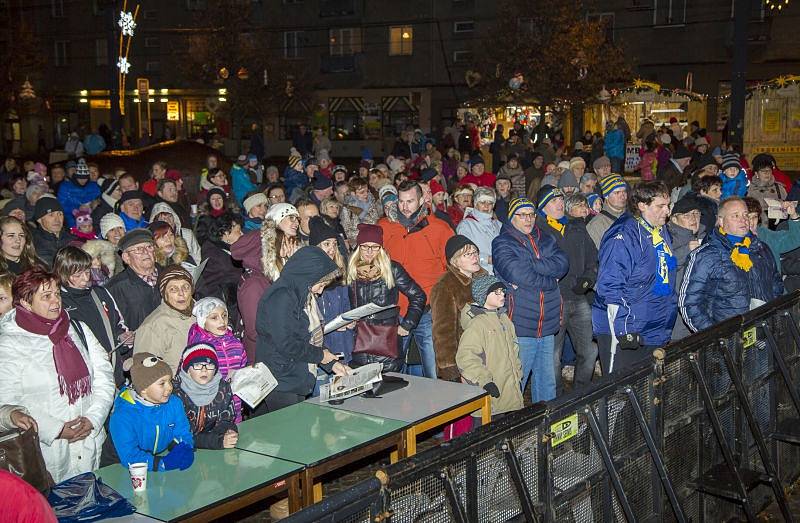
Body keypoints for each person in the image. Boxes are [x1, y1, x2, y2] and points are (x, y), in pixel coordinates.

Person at [0, 267, 115, 483]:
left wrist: (93, 419)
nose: (56, 301)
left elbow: (104, 377)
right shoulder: (9, 342)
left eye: (57, 294)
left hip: (90, 444)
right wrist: (56, 430)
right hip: (46, 451)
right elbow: (7, 401)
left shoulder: (77, 328)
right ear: (25, 302)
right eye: (46, 296)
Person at [593, 181, 677, 375]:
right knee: (619, 392)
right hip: (627, 325)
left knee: (647, 389)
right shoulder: (623, 235)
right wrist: (624, 329)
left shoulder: (659, 230)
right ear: (642, 206)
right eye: (660, 206)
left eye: (668, 205)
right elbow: (610, 286)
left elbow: (665, 275)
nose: (667, 211)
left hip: (654, 322)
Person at [254, 246, 350, 411]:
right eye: (320, 285)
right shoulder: (281, 297)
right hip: (280, 380)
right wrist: (321, 356)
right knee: (290, 432)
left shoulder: (300, 295)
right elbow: (287, 343)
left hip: (295, 376)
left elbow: (309, 337)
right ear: (307, 277)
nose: (320, 292)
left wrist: (332, 364)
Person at [492, 198, 568, 402]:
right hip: (521, 324)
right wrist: (551, 281)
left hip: (548, 322)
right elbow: (519, 274)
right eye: (522, 214)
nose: (528, 219)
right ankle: (511, 428)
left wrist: (533, 263)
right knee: (516, 381)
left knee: (547, 382)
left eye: (531, 214)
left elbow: (562, 263)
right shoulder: (502, 242)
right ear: (511, 217)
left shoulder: (546, 238)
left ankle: (544, 425)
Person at [379, 181, 453, 378]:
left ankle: (436, 406)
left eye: (410, 201)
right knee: (394, 373)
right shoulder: (385, 226)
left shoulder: (439, 228)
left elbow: (453, 267)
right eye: (401, 201)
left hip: (427, 309)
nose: (404, 206)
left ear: (421, 200)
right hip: (395, 309)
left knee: (434, 371)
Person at [680, 197, 784, 333]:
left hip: (763, 333)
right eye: (735, 216)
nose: (743, 220)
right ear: (721, 221)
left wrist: (771, 318)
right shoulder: (706, 255)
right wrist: (713, 335)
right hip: (727, 339)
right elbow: (689, 303)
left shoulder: (761, 249)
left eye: (745, 214)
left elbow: (776, 285)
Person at [535, 185, 598, 391]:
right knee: (553, 356)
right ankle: (558, 399)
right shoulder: (537, 231)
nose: (560, 204)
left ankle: (581, 392)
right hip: (553, 300)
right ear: (543, 207)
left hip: (579, 298)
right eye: (554, 201)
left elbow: (593, 258)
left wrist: (588, 279)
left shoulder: (576, 226)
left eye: (561, 200)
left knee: (588, 351)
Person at [346, 224, 425, 372]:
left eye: (375, 246)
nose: (369, 251)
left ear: (381, 248)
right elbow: (344, 301)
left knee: (390, 390)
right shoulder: (350, 271)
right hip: (359, 341)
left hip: (386, 340)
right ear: (358, 246)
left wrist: (407, 324)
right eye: (365, 246)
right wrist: (347, 320)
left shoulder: (391, 268)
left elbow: (418, 295)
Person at [54, 246, 132, 388]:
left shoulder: (100, 293)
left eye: (87, 271)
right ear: (62, 274)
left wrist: (123, 338)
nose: (85, 278)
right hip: (85, 380)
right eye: (77, 275)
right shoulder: (58, 302)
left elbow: (118, 324)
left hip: (114, 374)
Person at [109, 353, 194, 471]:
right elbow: (129, 455)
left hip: (154, 461)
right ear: (143, 389)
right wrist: (162, 463)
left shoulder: (174, 403)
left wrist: (184, 448)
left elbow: (183, 432)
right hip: (120, 467)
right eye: (162, 383)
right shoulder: (123, 416)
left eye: (170, 381)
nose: (169, 387)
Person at [456, 274, 523, 418]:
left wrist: (517, 374)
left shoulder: (504, 319)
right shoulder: (477, 325)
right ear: (483, 295)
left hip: (508, 389)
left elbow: (515, 349)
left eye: (503, 291)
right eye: (496, 292)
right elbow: (466, 358)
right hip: (488, 393)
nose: (502, 295)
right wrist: (485, 381)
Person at [188, 297, 247, 422]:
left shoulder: (235, 344)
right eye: (214, 318)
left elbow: (242, 369)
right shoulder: (199, 349)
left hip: (235, 406)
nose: (222, 321)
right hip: (211, 410)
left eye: (224, 315)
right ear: (203, 321)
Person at [309, 217, 354, 373]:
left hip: (344, 346)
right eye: (326, 244)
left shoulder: (339, 273)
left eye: (334, 244)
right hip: (323, 352)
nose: (331, 249)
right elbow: (310, 322)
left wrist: (352, 321)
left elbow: (347, 306)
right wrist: (332, 325)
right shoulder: (310, 279)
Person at [173, 343, 239, 450]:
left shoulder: (223, 388)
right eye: (198, 365)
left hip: (210, 447)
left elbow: (225, 419)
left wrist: (228, 430)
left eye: (209, 365)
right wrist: (217, 441)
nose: (204, 370)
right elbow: (178, 436)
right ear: (187, 370)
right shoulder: (176, 394)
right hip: (184, 450)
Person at [135, 265, 196, 374]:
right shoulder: (153, 326)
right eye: (173, 289)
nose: (181, 293)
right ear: (164, 294)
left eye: (185, 287)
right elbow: (145, 373)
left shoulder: (204, 315)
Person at [106, 229, 162, 331]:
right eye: (138, 249)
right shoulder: (115, 288)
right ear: (126, 257)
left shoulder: (169, 276)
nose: (145, 252)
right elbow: (111, 325)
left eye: (149, 247)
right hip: (140, 344)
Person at [667, 198, 705, 340]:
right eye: (686, 215)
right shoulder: (668, 238)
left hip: (700, 307)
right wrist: (687, 250)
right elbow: (663, 265)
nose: (693, 218)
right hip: (677, 311)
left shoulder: (705, 236)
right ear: (674, 219)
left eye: (696, 213)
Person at [457, 187, 502, 274]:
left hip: (501, 272)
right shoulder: (466, 225)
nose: (486, 206)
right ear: (475, 203)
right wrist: (486, 259)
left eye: (490, 203)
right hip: (479, 273)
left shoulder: (498, 225)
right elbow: (463, 253)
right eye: (482, 202)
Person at [32, 197, 76, 267]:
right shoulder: (33, 243)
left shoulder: (74, 240)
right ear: (39, 219)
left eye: (60, 214)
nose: (57, 219)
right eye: (51, 215)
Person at [587, 174, 628, 248]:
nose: (622, 196)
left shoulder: (632, 217)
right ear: (606, 196)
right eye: (617, 193)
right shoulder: (596, 225)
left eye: (624, 191)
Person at [57, 159, 100, 229]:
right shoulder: (65, 186)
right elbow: (61, 205)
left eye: (85, 178)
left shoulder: (93, 186)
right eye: (80, 178)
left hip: (90, 219)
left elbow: (98, 199)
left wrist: (93, 204)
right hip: (71, 219)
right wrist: (76, 209)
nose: (83, 181)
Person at [340, 177, 381, 245]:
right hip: (357, 244)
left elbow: (376, 221)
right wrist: (364, 232)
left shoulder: (372, 203)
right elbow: (346, 230)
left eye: (367, 191)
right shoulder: (347, 208)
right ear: (353, 193)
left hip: (374, 241)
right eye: (362, 192)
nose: (366, 194)